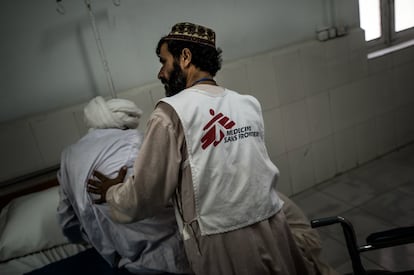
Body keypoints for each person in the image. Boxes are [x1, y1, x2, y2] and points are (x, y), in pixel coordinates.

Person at [87, 22, 315, 275]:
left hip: (223, 242)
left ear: (185, 57)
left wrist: (112, 193)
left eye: (164, 62)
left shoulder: (171, 112)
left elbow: (146, 194)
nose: (161, 73)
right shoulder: (247, 103)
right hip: (274, 227)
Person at [57, 96, 190, 274]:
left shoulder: (69, 157)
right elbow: (184, 195)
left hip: (126, 264)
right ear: (126, 124)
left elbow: (68, 223)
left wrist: (98, 233)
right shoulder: (140, 141)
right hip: (175, 257)